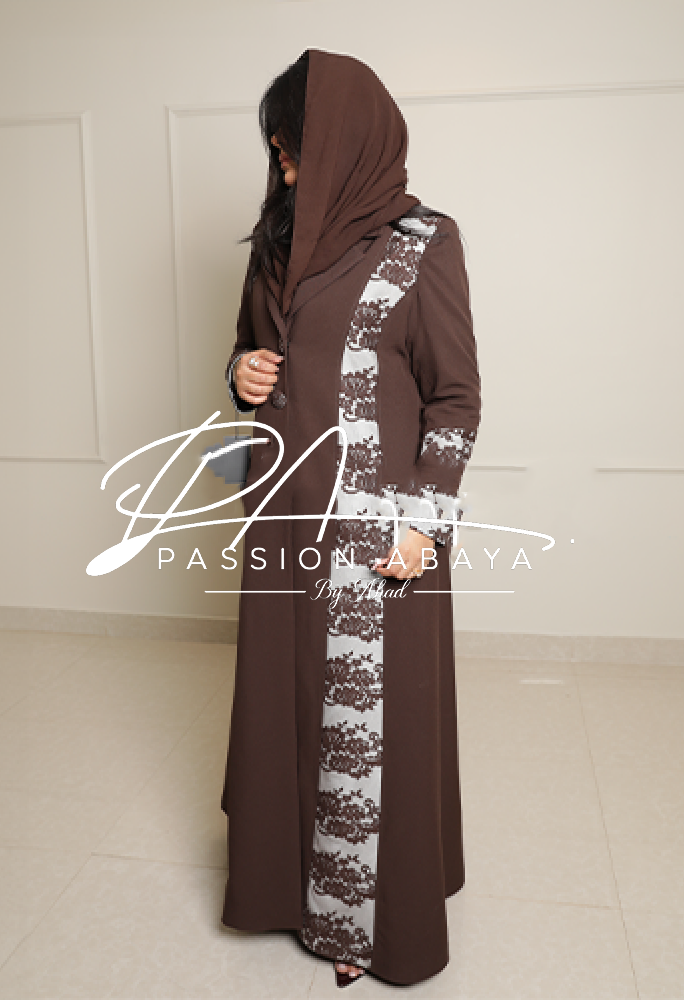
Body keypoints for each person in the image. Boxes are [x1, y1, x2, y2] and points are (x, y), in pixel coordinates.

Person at [218, 48, 481, 988]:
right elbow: (251, 353)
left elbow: (455, 398)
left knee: (369, 720)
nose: (285, 169)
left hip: (377, 528)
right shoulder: (277, 242)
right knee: (286, 705)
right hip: (283, 514)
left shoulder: (423, 242)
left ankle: (365, 919)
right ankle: (285, 890)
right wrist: (242, 374)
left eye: (295, 148)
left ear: (346, 139)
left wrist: (425, 522)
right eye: (277, 152)